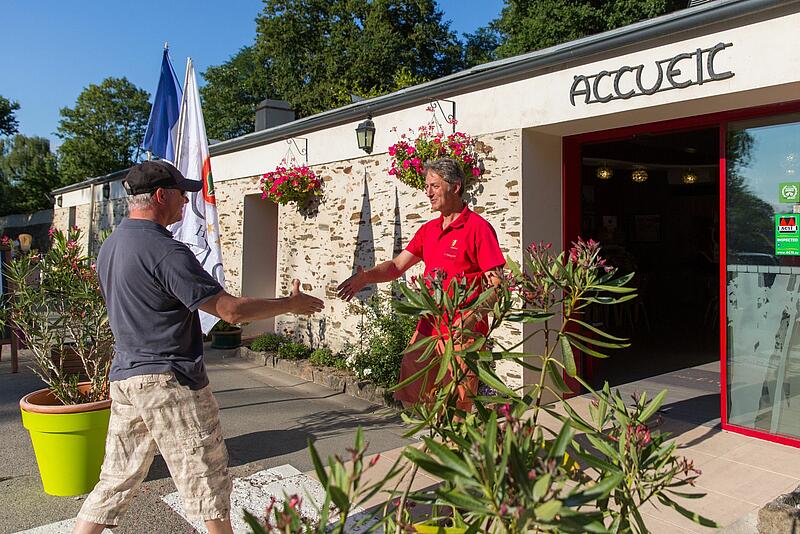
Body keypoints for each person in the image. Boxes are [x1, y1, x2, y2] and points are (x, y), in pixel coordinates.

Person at [73, 161, 324, 534]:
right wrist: (290, 304)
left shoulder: (111, 246)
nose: (187, 203)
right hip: (169, 381)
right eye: (182, 194)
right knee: (207, 479)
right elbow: (230, 311)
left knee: (115, 479)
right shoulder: (166, 252)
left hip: (126, 377)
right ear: (161, 195)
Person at [337, 158, 505, 410]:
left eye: (434, 186)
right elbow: (396, 266)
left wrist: (471, 318)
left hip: (463, 333)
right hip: (429, 327)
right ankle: (432, 441)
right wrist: (366, 277)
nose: (427, 193)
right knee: (414, 396)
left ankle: (451, 443)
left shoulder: (478, 229)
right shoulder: (429, 230)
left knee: (457, 404)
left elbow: (497, 286)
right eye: (427, 186)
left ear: (455, 186)